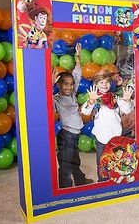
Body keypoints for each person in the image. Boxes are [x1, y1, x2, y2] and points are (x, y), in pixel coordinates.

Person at [81, 70, 134, 182]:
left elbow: (127, 109)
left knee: (117, 160)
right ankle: (102, 181)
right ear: (96, 84)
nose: (104, 85)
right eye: (101, 82)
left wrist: (126, 100)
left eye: (106, 82)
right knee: (102, 162)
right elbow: (85, 112)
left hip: (115, 135)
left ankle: (116, 180)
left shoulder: (115, 97)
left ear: (110, 84)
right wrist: (91, 101)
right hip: (101, 136)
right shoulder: (94, 98)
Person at [53, 43, 93, 188]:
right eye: (65, 84)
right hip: (66, 136)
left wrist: (78, 58)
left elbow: (77, 74)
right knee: (65, 164)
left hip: (75, 135)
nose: (69, 87)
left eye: (71, 84)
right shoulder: (56, 99)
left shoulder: (72, 94)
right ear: (58, 85)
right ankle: (65, 188)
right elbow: (44, 104)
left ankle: (80, 180)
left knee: (75, 161)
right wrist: (48, 86)